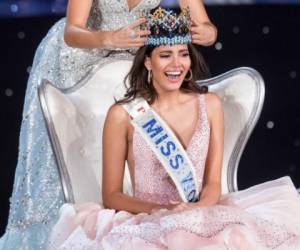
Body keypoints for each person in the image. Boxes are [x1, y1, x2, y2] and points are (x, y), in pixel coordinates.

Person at [47, 6, 300, 249]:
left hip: (202, 213)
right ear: (147, 62)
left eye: (183, 53)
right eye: (165, 55)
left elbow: (213, 183)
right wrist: (164, 212)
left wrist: (196, 209)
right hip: (147, 221)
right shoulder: (123, 115)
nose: (176, 64)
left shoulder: (210, 105)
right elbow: (112, 196)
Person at [0, 1, 217, 249]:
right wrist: (111, 38)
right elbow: (72, 31)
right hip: (86, 54)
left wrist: (208, 33)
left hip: (137, 59)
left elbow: (208, 28)